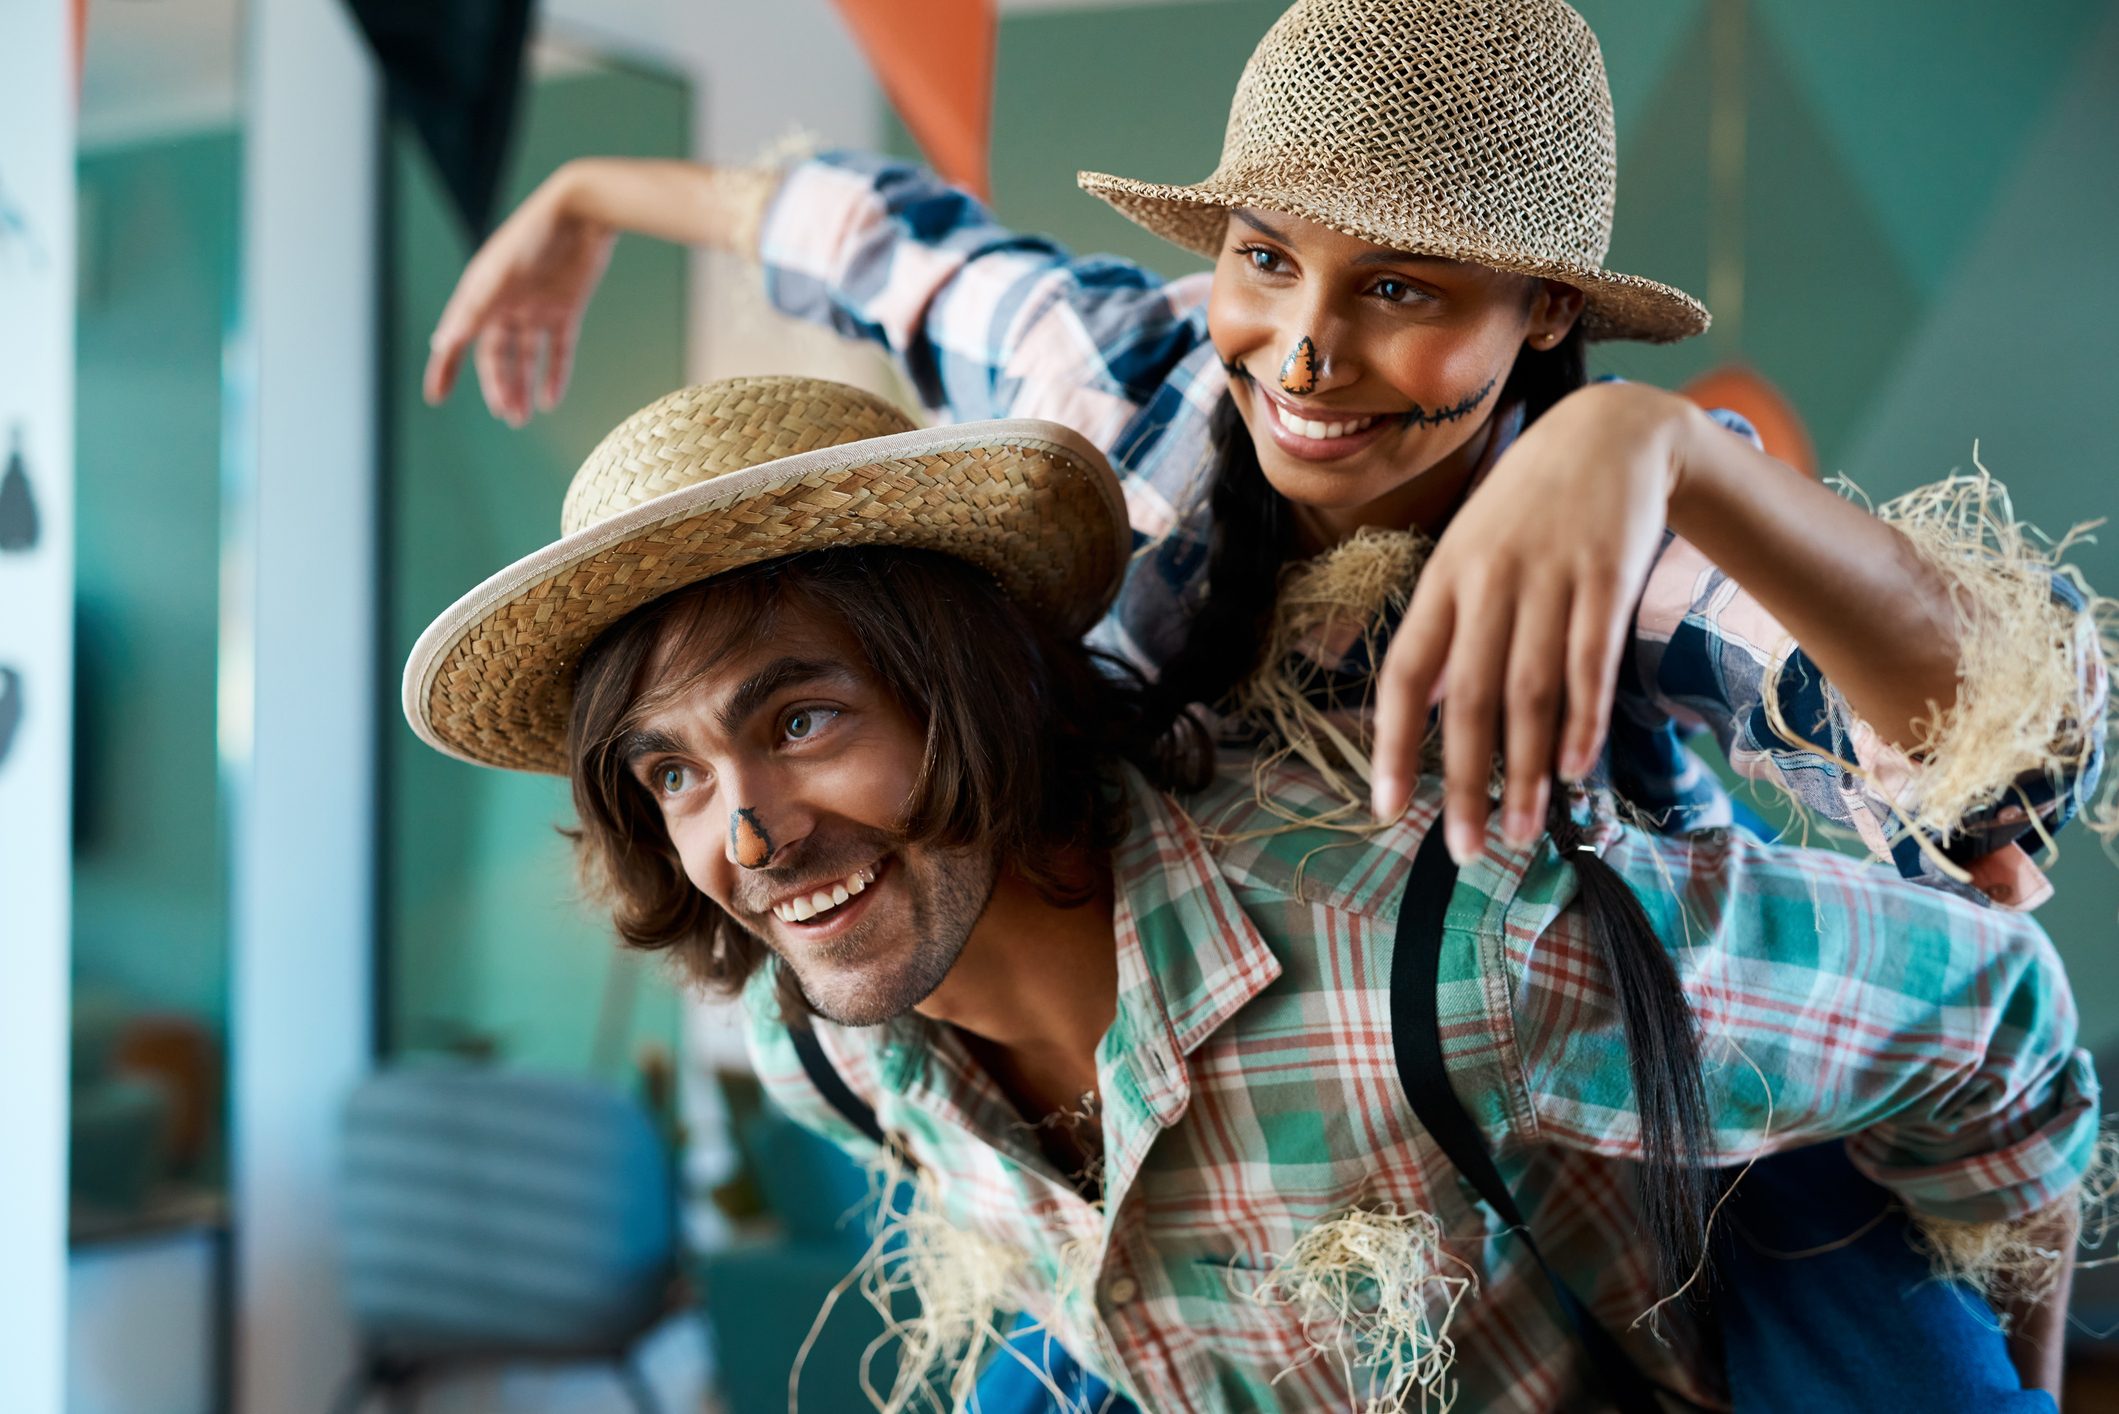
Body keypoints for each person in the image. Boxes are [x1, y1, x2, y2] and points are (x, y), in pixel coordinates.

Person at [404, 376, 2098, 1412]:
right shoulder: (825, 1050)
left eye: (802, 717)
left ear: (971, 692)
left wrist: (1975, 1361)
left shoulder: (1444, 955)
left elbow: (1994, 1011)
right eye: (674, 772)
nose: (748, 831)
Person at [421, 0, 2107, 917]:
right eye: (1264, 254)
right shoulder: (1125, 366)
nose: (1304, 349)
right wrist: (581, 199)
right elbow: (870, 239)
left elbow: (2016, 751)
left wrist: (1669, 453)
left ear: (1538, 315)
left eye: (1402, 289)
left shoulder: (1620, 554)